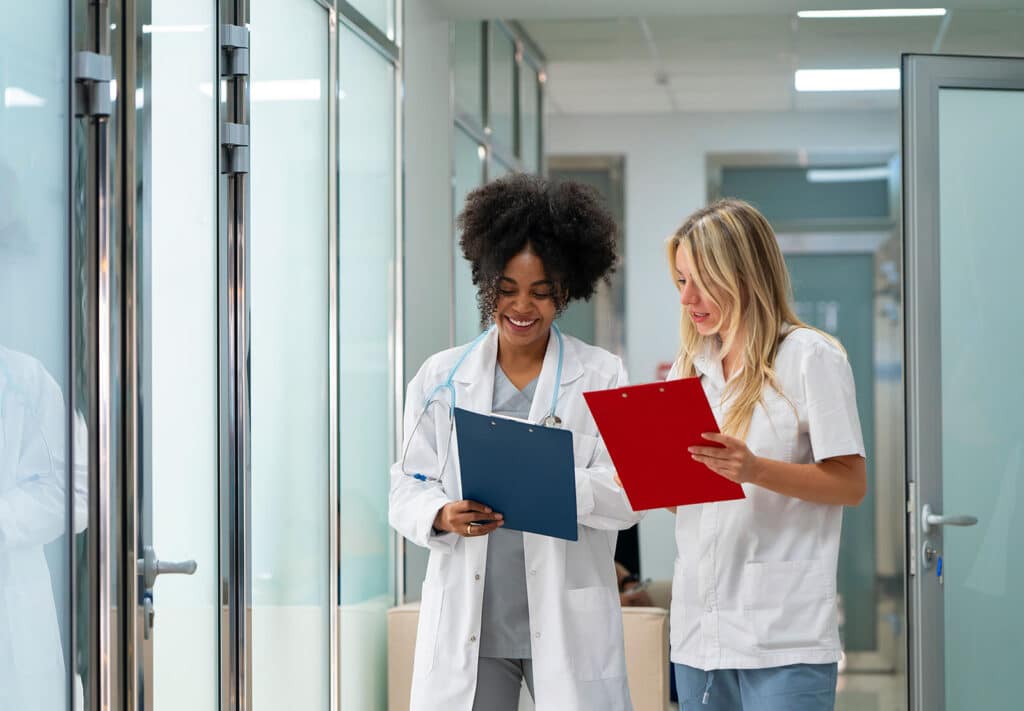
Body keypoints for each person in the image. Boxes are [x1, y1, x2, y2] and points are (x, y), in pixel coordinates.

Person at [389, 174, 642, 711]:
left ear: (565, 292)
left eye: (540, 292)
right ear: (487, 286)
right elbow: (406, 485)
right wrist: (441, 513)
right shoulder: (440, 376)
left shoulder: (605, 374)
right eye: (506, 290)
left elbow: (630, 493)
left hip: (566, 619)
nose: (521, 307)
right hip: (473, 624)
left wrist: (553, 487)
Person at [664, 199, 866, 710]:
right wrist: (651, 475)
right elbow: (685, 502)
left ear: (742, 273)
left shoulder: (809, 357)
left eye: (699, 280)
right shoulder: (689, 368)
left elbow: (850, 483)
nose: (687, 297)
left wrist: (754, 469)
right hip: (698, 635)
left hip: (783, 635)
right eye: (680, 281)